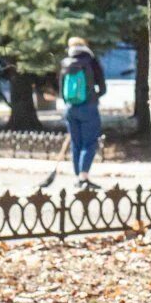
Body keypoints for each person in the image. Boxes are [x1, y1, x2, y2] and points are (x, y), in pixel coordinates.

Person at [58, 37, 107, 189]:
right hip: (89, 108)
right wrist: (93, 96)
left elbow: (61, 90)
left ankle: (78, 176)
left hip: (70, 109)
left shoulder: (65, 63)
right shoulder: (91, 61)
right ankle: (83, 176)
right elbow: (103, 88)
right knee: (90, 142)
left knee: (76, 143)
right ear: (85, 45)